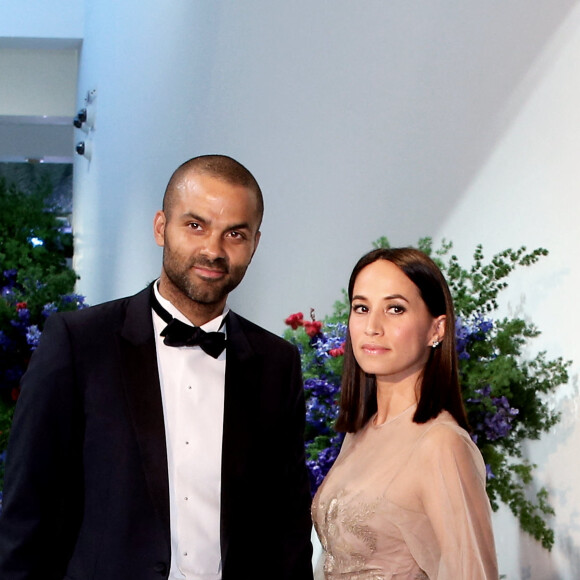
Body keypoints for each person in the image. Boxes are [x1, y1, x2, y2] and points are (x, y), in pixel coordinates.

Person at [0, 155, 314, 580]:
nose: (213, 250)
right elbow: (28, 507)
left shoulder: (277, 363)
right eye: (195, 225)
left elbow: (287, 523)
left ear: (254, 244)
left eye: (234, 234)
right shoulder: (78, 342)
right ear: (161, 227)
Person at [311, 247, 498, 579]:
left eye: (395, 309)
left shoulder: (441, 444)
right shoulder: (361, 431)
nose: (373, 326)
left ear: (436, 329)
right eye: (361, 308)